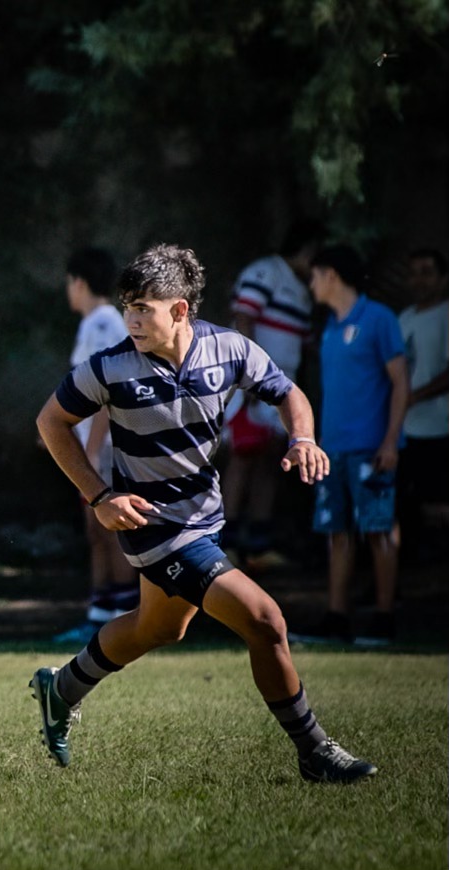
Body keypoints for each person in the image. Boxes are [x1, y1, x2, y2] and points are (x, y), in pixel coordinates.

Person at [31, 243, 376, 784]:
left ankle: (62, 688)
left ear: (180, 310)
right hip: (155, 527)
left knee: (158, 628)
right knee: (265, 621)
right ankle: (315, 750)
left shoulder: (229, 350)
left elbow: (289, 393)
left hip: (203, 519)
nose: (133, 319)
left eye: (145, 307)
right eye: (128, 306)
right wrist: (100, 496)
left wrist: (302, 437)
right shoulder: (110, 367)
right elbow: (50, 423)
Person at [290, 245, 408, 646]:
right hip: (332, 449)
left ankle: (383, 618)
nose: (311, 283)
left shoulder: (379, 319)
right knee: (336, 534)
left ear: (332, 275)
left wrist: (391, 440)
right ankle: (337, 617)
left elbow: (400, 383)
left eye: (315, 275)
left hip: (372, 447)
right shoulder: (330, 325)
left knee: (378, 531)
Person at [222, 219, 325, 569]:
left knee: (272, 459)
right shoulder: (266, 272)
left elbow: (304, 341)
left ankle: (258, 543)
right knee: (243, 456)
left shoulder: (301, 288)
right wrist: (247, 377)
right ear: (308, 249)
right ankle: (227, 544)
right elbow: (243, 317)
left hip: (282, 387)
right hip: (254, 385)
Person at [52, 247, 138, 644]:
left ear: (79, 283)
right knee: (95, 529)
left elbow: (107, 394)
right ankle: (100, 614)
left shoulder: (101, 323)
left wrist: (90, 450)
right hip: (93, 445)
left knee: (111, 529)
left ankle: (126, 618)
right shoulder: (96, 323)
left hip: (106, 449)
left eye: (69, 282)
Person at [396, 248, 449, 562]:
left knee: (440, 503)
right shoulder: (404, 318)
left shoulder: (445, 313)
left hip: (440, 425)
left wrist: (416, 396)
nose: (419, 280)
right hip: (405, 427)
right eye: (414, 272)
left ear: (443, 279)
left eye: (427, 272)